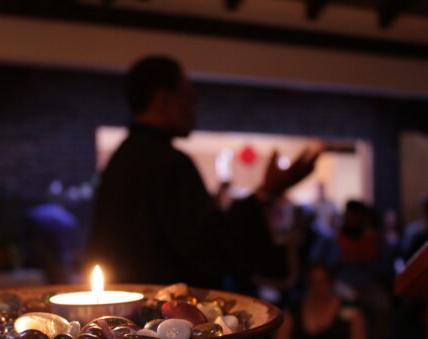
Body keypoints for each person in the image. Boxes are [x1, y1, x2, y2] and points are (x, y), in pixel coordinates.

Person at [86, 56, 323, 287]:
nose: (194, 109)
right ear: (163, 99)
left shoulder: (123, 157)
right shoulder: (169, 163)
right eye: (188, 97)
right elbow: (211, 245)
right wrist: (268, 191)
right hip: (164, 315)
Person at [272, 264, 366, 339]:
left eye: (323, 282)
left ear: (332, 282)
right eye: (314, 283)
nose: (319, 288)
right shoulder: (292, 312)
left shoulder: (351, 311)